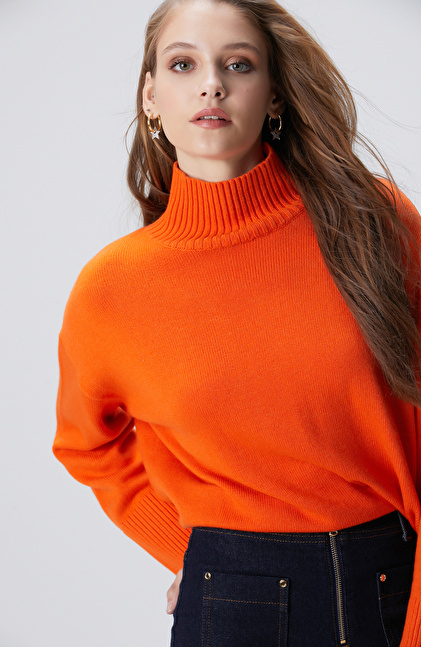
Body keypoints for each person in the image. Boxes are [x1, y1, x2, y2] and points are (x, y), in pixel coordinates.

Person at [52, 0, 421, 644]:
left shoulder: (373, 222)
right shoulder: (113, 287)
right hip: (228, 596)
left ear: (274, 94)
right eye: (183, 64)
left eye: (239, 64)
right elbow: (87, 446)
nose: (211, 85)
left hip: (387, 583)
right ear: (151, 96)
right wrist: (192, 556)